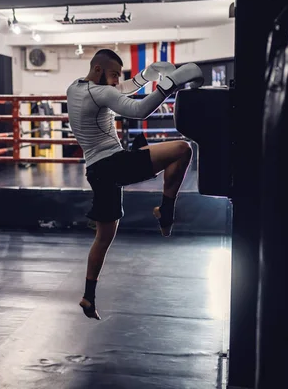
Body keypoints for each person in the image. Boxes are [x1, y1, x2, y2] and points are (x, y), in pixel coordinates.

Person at [66, 49, 203, 320]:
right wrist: (169, 84)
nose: (118, 80)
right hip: (113, 163)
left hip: (95, 170)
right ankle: (166, 210)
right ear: (97, 71)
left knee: (103, 238)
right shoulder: (100, 93)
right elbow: (139, 110)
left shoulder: (76, 87)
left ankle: (88, 296)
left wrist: (144, 78)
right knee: (183, 149)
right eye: (114, 74)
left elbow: (118, 90)